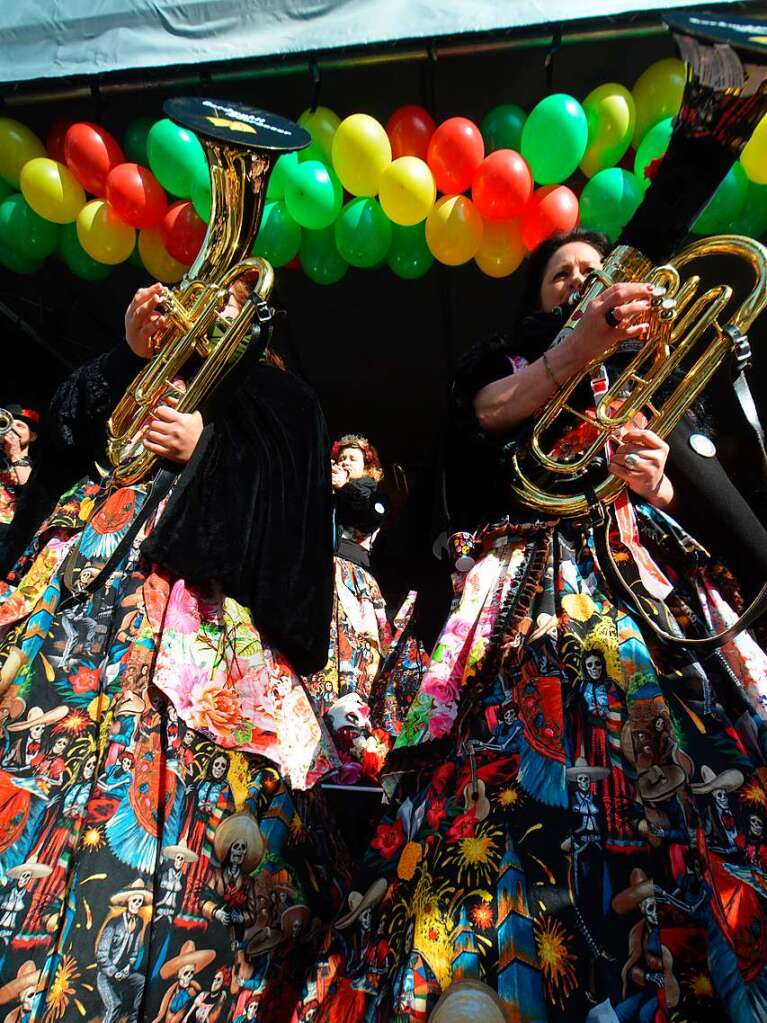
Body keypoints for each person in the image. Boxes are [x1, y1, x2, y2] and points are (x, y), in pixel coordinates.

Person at [294, 25, 767, 1014]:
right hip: (518, 582)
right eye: (562, 280)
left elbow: (694, 498)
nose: (582, 290)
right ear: (535, 301)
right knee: (502, 790)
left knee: (705, 766)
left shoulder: (631, 380)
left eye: (597, 281)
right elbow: (481, 421)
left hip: (634, 572)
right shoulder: (504, 365)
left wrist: (657, 479)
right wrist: (569, 351)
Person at [0, 274, 345, 1022]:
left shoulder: (285, 399)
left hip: (199, 630)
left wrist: (208, 452)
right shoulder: (152, 359)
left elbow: (292, 549)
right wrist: (125, 355)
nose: (212, 303)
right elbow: (60, 444)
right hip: (83, 585)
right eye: (207, 289)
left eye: (231, 298)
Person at [304, 435, 392, 783]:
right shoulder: (325, 492)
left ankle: (355, 741)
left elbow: (368, 515)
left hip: (352, 579)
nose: (345, 463)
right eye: (340, 459)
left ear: (369, 467)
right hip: (318, 575)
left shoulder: (370, 495)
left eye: (353, 459)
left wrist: (345, 488)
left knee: (357, 659)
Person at [0, 406, 39, 545]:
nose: (12, 429)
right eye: (7, 424)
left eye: (20, 425)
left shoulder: (38, 469)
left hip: (7, 533)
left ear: (33, 436)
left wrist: (15, 454)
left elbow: (31, 495)